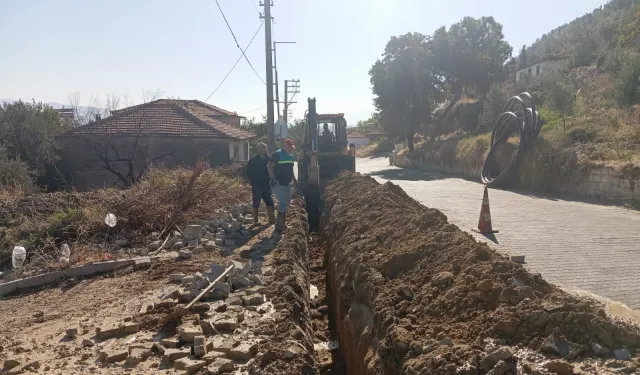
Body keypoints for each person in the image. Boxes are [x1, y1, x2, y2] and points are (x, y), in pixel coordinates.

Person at [268, 138, 297, 232]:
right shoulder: (277, 154)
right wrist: (273, 177)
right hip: (279, 182)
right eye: (290, 147)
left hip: (287, 183)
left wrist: (294, 180)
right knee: (283, 202)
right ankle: (280, 225)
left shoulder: (291, 157)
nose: (291, 149)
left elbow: (291, 170)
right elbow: (270, 166)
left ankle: (280, 223)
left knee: (285, 202)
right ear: (285, 146)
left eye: (292, 147)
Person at [246, 143, 276, 225]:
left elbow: (274, 170)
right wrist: (252, 181)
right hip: (257, 184)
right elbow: (248, 172)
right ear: (258, 149)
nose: (262, 149)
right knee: (256, 201)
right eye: (261, 148)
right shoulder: (253, 160)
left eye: (264, 148)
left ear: (266, 149)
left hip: (266, 184)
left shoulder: (269, 160)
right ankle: (255, 220)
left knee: (269, 200)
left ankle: (271, 218)